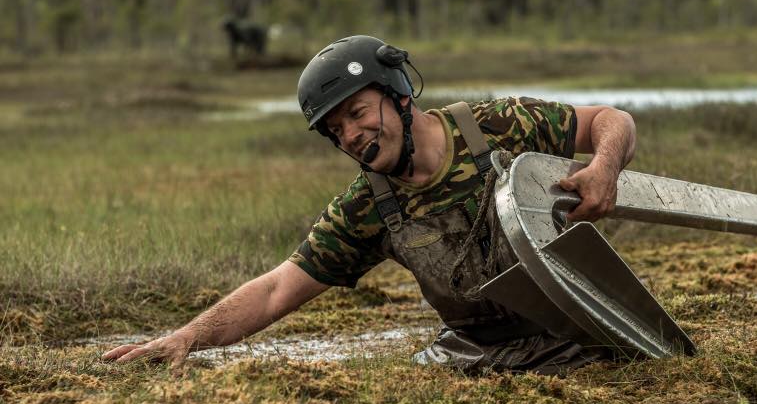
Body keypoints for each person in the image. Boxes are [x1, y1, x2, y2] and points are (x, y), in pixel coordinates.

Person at [103, 35, 636, 374]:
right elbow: (275, 290)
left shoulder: (498, 125)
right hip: (474, 355)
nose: (353, 135)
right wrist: (187, 337)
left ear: (400, 94)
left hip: (577, 338)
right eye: (336, 130)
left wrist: (604, 167)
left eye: (358, 113)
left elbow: (611, 121)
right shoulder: (366, 207)